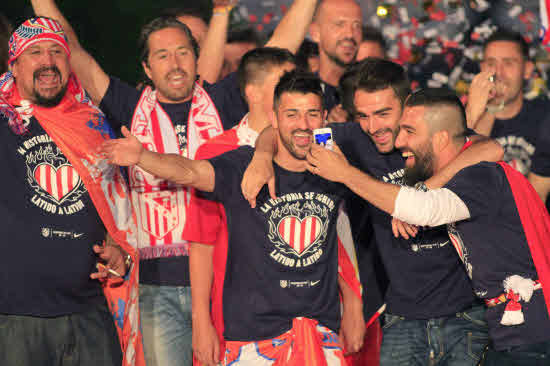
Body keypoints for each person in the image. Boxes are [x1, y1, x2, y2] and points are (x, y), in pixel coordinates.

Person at [31, 0, 319, 364]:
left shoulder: (222, 100)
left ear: (197, 60)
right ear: (147, 67)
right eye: (163, 55)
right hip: (155, 289)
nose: (176, 62)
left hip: (225, 284)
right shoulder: (127, 105)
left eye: (183, 52)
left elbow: (279, 50)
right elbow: (72, 50)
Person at [244, 59, 505, 365]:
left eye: (383, 114)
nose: (374, 126)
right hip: (402, 317)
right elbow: (287, 130)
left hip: (465, 315)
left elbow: (490, 149)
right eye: (363, 115)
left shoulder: (431, 132)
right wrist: (261, 156)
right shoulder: (354, 140)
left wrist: (418, 196)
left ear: (408, 107)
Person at [102, 70, 354, 365]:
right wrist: (143, 157)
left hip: (320, 335)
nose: (303, 125)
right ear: (274, 118)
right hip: (253, 342)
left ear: (324, 117)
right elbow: (191, 171)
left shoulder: (334, 166)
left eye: (312, 114)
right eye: (292, 114)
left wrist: (352, 305)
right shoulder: (241, 165)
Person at [307, 88, 550, 365]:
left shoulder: (480, 177)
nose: (399, 141)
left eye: (409, 131)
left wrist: (345, 174)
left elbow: (426, 209)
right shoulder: (466, 174)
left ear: (441, 138)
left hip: (532, 335)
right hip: (512, 334)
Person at [185, 49, 364, 365]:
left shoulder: (320, 148)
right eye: (283, 83)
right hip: (241, 322)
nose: (300, 113)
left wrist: (351, 302)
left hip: (312, 323)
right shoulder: (219, 151)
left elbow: (332, 231)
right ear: (258, 96)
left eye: (310, 110)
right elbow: (201, 242)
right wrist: (201, 320)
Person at [0, 17, 143, 366]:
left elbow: (117, 207)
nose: (47, 62)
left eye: (56, 52)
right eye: (35, 53)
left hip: (90, 312)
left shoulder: (94, 122)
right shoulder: (3, 119)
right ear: (14, 66)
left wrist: (119, 251)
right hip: (16, 317)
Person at [466, 29, 550, 177]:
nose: (498, 73)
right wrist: (482, 110)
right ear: (482, 69)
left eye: (508, 63)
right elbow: (460, 175)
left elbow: (537, 195)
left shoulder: (545, 116)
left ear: (527, 69)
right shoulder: (460, 116)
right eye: (491, 63)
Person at [309, 0, 362, 122]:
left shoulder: (375, 89)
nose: (350, 34)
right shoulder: (303, 93)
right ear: (315, 32)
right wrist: (328, 131)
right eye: (339, 24)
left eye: (357, 25)